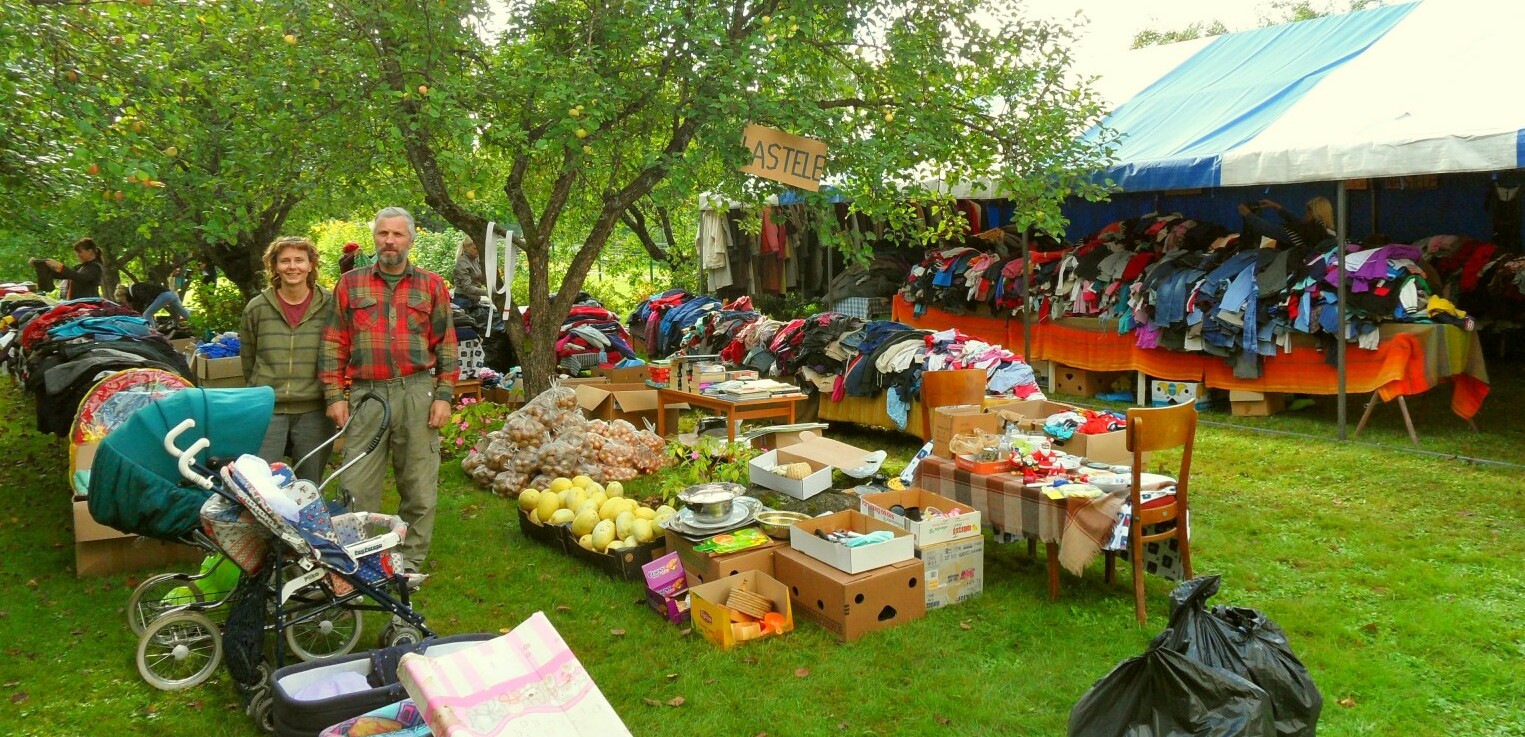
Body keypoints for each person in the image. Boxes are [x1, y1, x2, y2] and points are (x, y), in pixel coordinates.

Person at [320, 207, 457, 572]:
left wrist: (444, 396)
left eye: (397, 234)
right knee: (355, 485)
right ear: (375, 239)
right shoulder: (350, 284)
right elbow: (333, 344)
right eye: (383, 234)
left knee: (418, 486)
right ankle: (357, 562)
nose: (390, 241)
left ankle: (407, 563)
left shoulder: (431, 285)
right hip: (367, 395)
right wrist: (334, 396)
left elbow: (446, 345)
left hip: (417, 392)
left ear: (410, 239)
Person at [242, 236, 338, 484]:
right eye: (285, 261)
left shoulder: (330, 306)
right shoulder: (257, 308)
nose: (292, 266)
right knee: (263, 484)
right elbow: (249, 359)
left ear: (311, 265)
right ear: (274, 266)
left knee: (308, 485)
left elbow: (339, 351)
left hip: (315, 410)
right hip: (268, 410)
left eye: (299, 260)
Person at [1237, 196, 1336, 250]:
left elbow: (1269, 230)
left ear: (1313, 214)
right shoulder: (1329, 232)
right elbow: (1296, 221)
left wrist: (1247, 214)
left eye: (1307, 212)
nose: (1305, 215)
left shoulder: (1308, 233)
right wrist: (1276, 207)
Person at [32, 237, 104, 299]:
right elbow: (62, 275)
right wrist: (41, 266)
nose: (78, 255)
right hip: (77, 303)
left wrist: (61, 267)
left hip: (88, 304)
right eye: (76, 253)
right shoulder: (79, 267)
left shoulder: (96, 267)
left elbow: (80, 277)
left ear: (90, 251)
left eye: (80, 252)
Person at [451, 237, 487, 308]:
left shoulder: (475, 259)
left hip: (473, 300)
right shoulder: (463, 262)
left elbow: (479, 278)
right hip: (463, 301)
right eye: (475, 248)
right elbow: (467, 287)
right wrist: (487, 293)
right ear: (466, 248)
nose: (478, 251)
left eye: (479, 248)